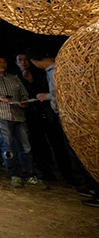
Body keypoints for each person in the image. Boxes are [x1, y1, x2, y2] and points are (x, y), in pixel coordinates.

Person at [26, 49, 99, 208]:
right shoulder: (54, 69)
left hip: (72, 118)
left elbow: (65, 92)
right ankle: (91, 185)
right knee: (79, 152)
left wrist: (48, 96)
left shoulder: (56, 70)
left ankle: (96, 190)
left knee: (82, 152)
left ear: (36, 61)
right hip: (70, 117)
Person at [0, 55, 46, 188]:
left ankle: (29, 174)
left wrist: (23, 102)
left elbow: (24, 94)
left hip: (18, 115)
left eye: (4, 61)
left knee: (25, 147)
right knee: (8, 146)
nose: (2, 64)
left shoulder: (14, 78)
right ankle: (14, 174)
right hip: (1, 115)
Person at [15, 54, 56, 181]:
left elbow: (48, 90)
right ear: (16, 63)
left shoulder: (40, 74)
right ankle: (46, 171)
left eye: (25, 59)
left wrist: (32, 81)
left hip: (46, 112)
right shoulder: (16, 77)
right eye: (20, 60)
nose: (23, 62)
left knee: (56, 142)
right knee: (37, 144)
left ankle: (67, 172)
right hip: (29, 115)